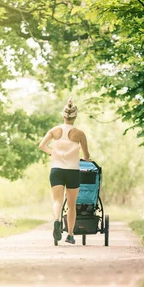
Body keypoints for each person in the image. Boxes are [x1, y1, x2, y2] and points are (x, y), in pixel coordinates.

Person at [38, 98, 91, 245]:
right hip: (72, 171)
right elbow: (86, 156)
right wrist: (84, 158)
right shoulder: (80, 134)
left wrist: (51, 153)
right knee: (71, 205)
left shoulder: (54, 131)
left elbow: (42, 145)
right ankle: (71, 235)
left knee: (57, 201)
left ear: (63, 115)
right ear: (75, 116)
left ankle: (56, 220)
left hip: (56, 170)